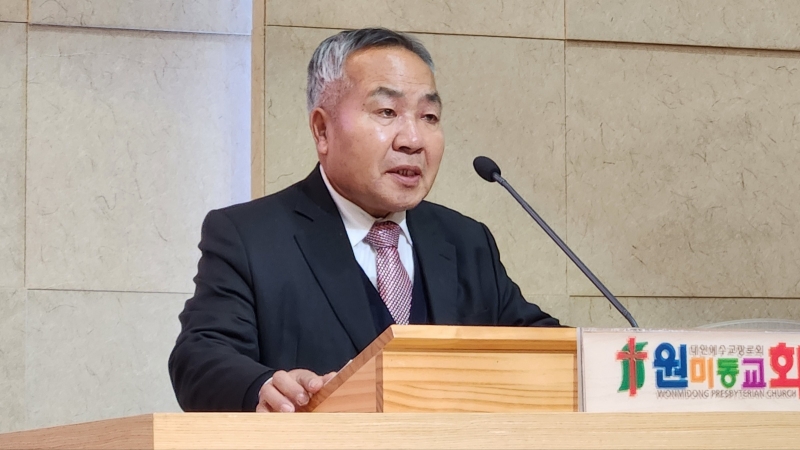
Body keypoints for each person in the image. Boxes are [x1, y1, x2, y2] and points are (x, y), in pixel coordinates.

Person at [168, 27, 560, 414]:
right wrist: (263, 387)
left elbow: (541, 347)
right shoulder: (250, 237)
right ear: (322, 130)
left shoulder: (465, 240)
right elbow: (200, 357)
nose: (412, 139)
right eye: (387, 112)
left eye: (429, 116)